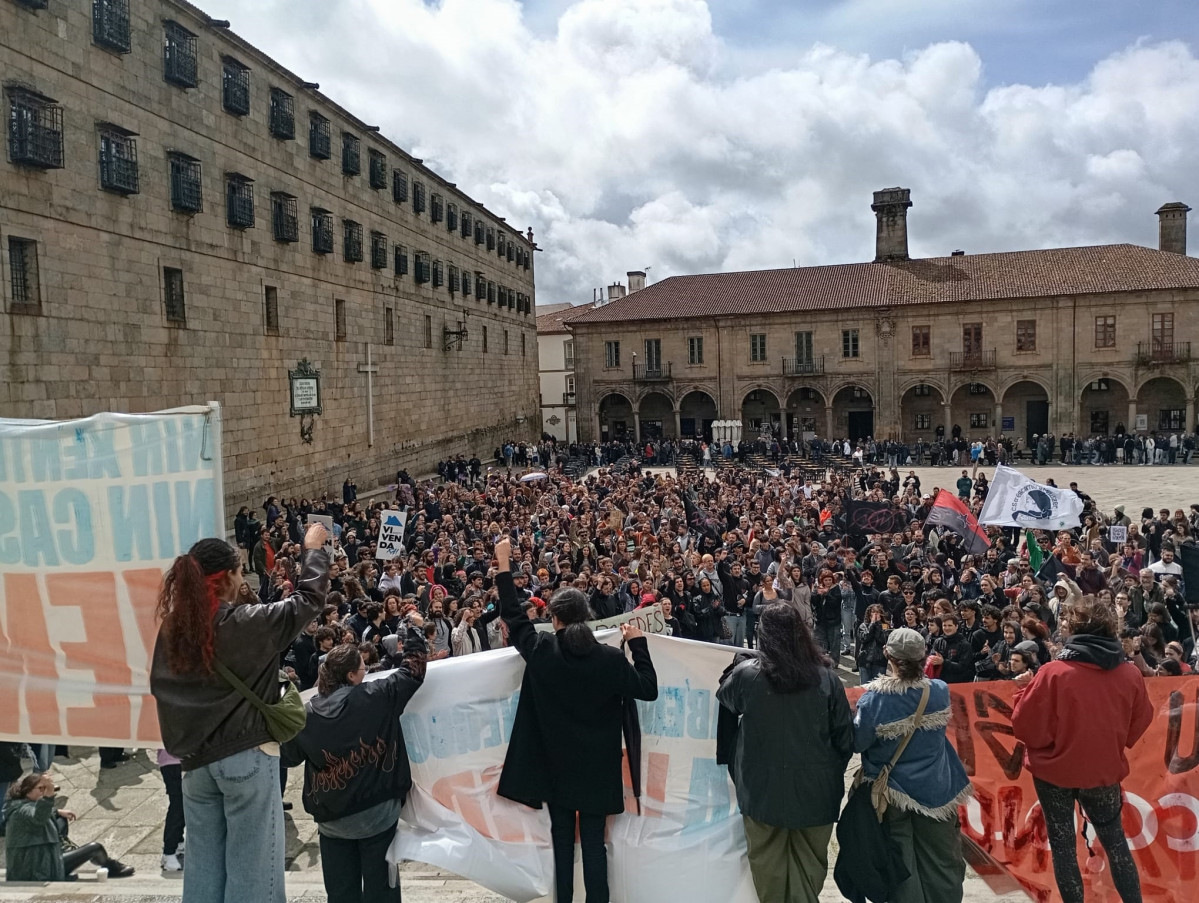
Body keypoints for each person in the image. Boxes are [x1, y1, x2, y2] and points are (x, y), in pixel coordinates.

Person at [150, 522, 330, 903]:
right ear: (228, 577)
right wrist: (313, 550)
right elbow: (307, 600)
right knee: (254, 869)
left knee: (203, 869)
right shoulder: (247, 623)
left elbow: (161, 690)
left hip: (196, 764)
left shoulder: (172, 632)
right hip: (246, 756)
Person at [494, 537, 658, 903]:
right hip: (599, 766)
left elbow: (513, 614)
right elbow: (648, 688)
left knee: (563, 842)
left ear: (554, 618)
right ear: (585, 616)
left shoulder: (542, 650)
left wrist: (503, 562)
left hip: (555, 766)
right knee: (595, 845)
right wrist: (638, 644)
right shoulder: (610, 659)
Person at [1012, 596, 1153, 903]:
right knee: (1115, 841)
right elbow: (1140, 722)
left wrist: (1023, 692)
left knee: (1063, 846)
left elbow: (1026, 727)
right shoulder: (1129, 673)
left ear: (1074, 627)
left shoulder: (1053, 672)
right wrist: (1111, 743)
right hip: (1102, 770)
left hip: (1054, 771)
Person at [281, 623, 427, 903]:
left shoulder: (307, 715)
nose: (367, 672)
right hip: (377, 815)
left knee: (341, 893)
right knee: (381, 891)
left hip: (332, 819)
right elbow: (414, 671)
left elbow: (289, 756)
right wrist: (413, 632)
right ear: (351, 675)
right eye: (363, 668)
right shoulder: (376, 697)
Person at [717, 604, 853, 902]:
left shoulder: (746, 676)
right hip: (816, 789)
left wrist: (738, 663)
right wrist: (829, 770)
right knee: (810, 866)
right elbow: (845, 738)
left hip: (760, 790)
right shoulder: (827, 678)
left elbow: (725, 696)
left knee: (768, 869)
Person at [853, 627, 972, 903]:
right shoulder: (938, 691)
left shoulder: (875, 699)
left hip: (892, 793)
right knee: (942, 862)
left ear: (888, 655)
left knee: (902, 864)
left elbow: (859, 742)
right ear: (923, 657)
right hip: (938, 790)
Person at [4, 772, 135, 881]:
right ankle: (111, 866)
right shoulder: (21, 812)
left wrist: (57, 812)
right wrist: (49, 796)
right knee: (95, 848)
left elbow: (38, 813)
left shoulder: (19, 806)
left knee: (60, 818)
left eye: (45, 788)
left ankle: (63, 847)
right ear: (27, 791)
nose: (44, 791)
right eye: (41, 789)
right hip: (37, 870)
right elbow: (37, 817)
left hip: (38, 862)